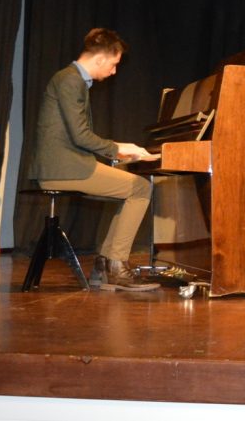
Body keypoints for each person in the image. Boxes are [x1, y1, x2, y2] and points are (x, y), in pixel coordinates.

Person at [29, 28, 159, 292]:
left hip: (67, 164)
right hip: (63, 168)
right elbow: (80, 135)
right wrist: (119, 149)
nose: (114, 71)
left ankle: (104, 265)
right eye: (114, 64)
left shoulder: (71, 79)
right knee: (140, 188)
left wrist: (120, 149)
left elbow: (77, 135)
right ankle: (116, 266)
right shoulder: (70, 80)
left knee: (131, 189)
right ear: (100, 59)